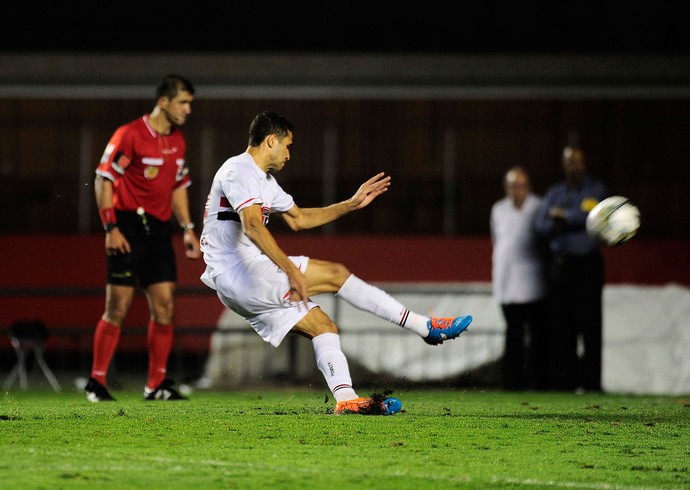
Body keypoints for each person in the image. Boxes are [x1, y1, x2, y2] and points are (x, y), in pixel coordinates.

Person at [199, 111, 473, 415]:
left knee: (323, 326)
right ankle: (425, 326)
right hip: (237, 273)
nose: (290, 154)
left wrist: (351, 204)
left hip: (240, 279)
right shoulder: (238, 169)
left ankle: (346, 398)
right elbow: (251, 226)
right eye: (287, 146)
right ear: (271, 140)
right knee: (336, 275)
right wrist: (291, 271)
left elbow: (299, 218)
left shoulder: (263, 181)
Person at [85, 74, 201, 402]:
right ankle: (96, 382)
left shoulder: (178, 141)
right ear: (163, 102)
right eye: (183, 102)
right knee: (118, 306)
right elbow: (103, 179)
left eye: (190, 103)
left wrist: (188, 227)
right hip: (126, 228)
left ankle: (156, 385)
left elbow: (178, 186)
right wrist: (111, 228)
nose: (188, 109)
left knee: (165, 307)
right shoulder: (130, 135)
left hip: (159, 231)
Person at [535, 146, 608, 392]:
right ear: (563, 165)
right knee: (561, 327)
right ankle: (565, 383)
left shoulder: (594, 189)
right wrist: (562, 219)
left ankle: (591, 384)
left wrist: (563, 217)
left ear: (584, 163)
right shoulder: (555, 192)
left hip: (586, 265)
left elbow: (593, 217)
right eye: (568, 162)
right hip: (560, 267)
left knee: (590, 326)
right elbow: (541, 224)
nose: (573, 166)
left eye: (577, 161)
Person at [490, 166, 550, 391]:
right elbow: (498, 241)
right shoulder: (498, 209)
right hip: (507, 281)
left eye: (522, 186)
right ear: (507, 188)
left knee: (537, 337)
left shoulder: (538, 206)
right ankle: (512, 382)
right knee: (513, 334)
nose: (518, 191)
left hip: (534, 280)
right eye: (514, 186)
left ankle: (539, 382)